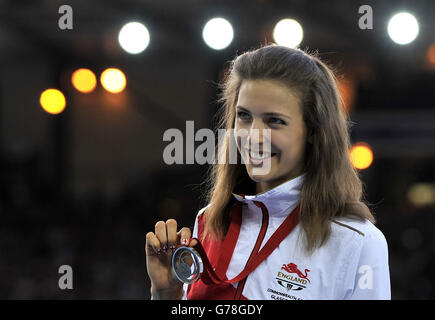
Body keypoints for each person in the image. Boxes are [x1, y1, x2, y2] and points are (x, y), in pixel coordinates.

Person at [145, 44, 391, 300]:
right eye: (244, 116)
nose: (254, 136)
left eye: (274, 121)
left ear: (314, 131)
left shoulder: (357, 242)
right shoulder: (209, 222)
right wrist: (165, 295)